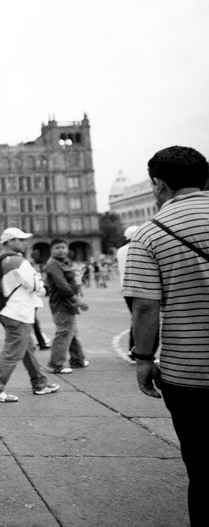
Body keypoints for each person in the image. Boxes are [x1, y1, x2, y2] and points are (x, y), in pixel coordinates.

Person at [123, 146, 209, 526]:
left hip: (189, 372)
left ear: (158, 185)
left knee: (203, 468)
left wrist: (143, 360)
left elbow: (145, 307)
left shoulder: (150, 232)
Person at [0, 228, 60, 403]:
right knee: (12, 351)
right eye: (21, 239)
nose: (25, 243)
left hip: (7, 310)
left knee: (27, 348)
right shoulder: (18, 261)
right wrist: (41, 286)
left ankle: (40, 383)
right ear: (10, 242)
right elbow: (36, 286)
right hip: (19, 311)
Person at [45, 239, 90, 374]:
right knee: (64, 333)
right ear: (51, 250)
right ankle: (55, 364)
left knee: (71, 332)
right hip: (61, 304)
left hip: (67, 303)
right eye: (57, 248)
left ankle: (77, 360)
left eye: (63, 247)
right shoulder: (53, 264)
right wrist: (78, 300)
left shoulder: (63, 262)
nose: (61, 250)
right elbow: (62, 285)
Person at [116, 225, 140, 362]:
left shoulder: (120, 250)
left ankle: (132, 349)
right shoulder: (137, 248)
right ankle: (137, 350)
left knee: (136, 318)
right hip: (139, 287)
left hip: (125, 288)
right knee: (143, 319)